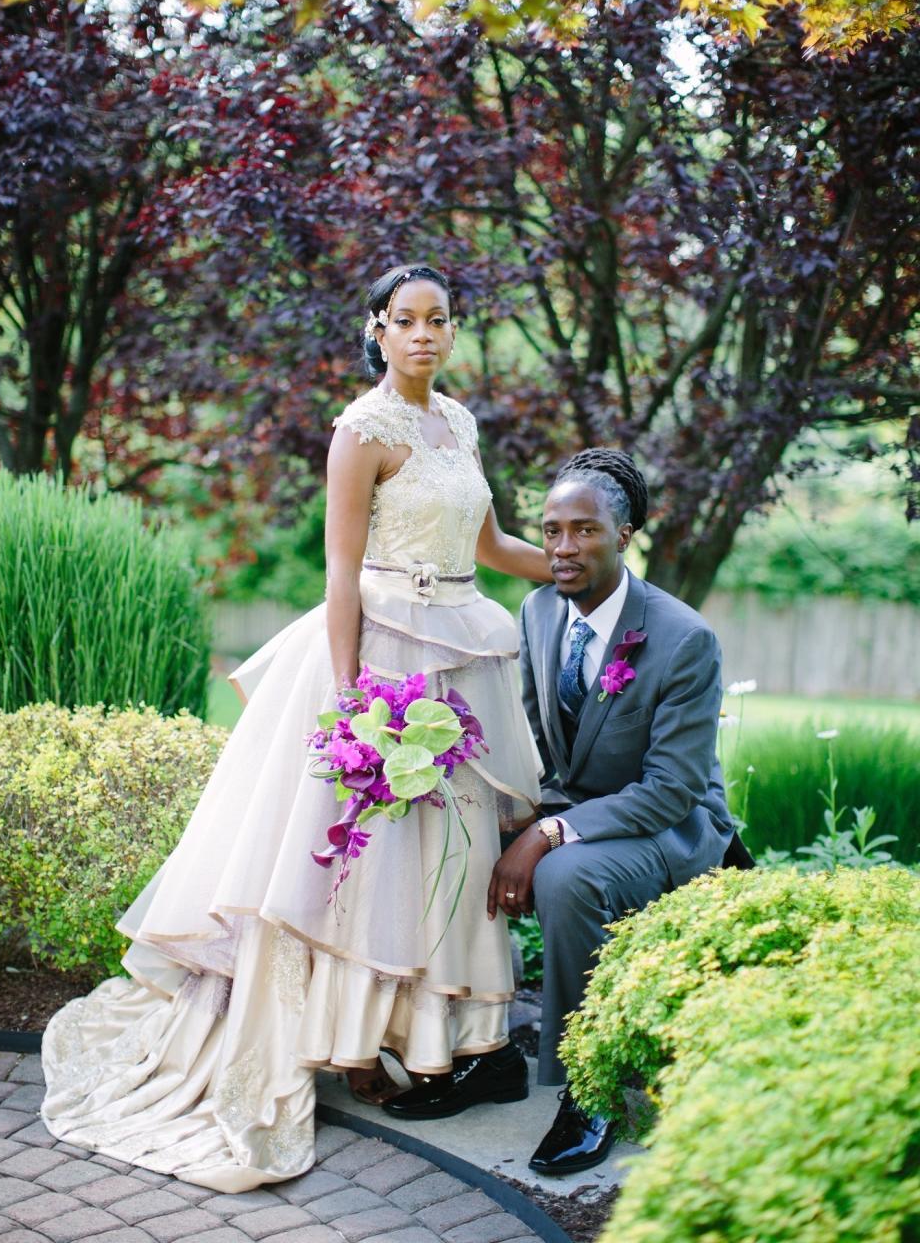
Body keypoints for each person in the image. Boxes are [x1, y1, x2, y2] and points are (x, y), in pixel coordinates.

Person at [40, 263, 551, 1193]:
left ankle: (416, 1035)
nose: (426, 336)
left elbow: (488, 545)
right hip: (384, 656)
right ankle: (349, 1045)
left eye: (440, 320)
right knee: (369, 855)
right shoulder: (361, 432)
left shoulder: (460, 423)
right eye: (408, 321)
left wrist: (565, 561)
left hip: (463, 652)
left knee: (449, 850)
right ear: (379, 329)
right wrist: (355, 699)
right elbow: (340, 571)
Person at [386, 447, 740, 1176]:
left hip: (669, 824)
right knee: (447, 834)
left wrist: (548, 833)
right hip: (580, 806)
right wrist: (510, 813)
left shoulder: (683, 639)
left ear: (626, 534)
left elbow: (672, 789)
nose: (563, 548)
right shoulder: (540, 609)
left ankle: (593, 1086)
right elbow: (535, 741)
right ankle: (475, 1048)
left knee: (565, 879)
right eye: (551, 531)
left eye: (584, 531)